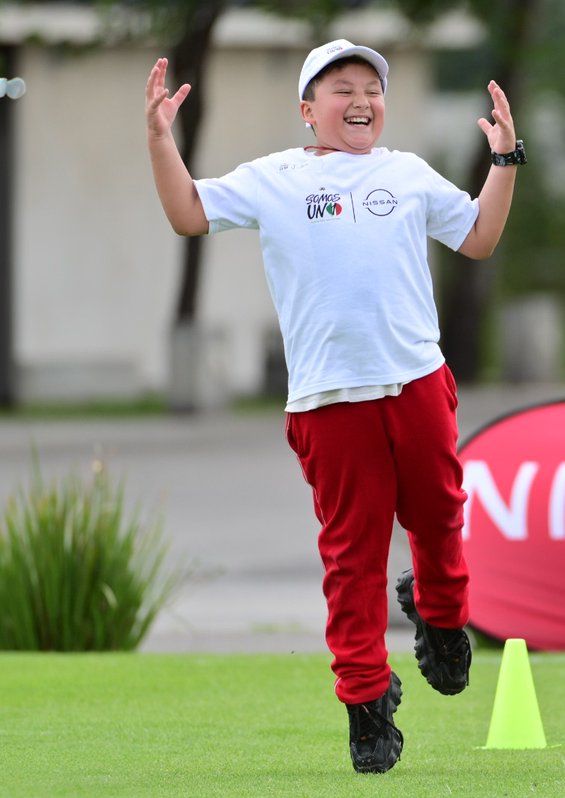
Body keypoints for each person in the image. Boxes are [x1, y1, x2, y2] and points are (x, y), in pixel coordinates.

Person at [144, 39, 524, 774]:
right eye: (340, 88)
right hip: (328, 402)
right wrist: (161, 141)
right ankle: (366, 702)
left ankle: (443, 618)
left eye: (371, 90)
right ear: (307, 109)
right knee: (351, 559)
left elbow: (477, 237)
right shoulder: (276, 177)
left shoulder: (406, 173)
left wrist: (505, 162)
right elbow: (189, 213)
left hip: (416, 384)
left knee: (441, 516)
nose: (360, 100)